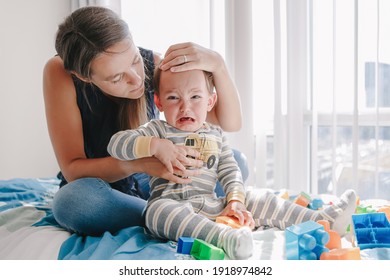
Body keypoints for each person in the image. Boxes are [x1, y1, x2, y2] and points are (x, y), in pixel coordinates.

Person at [107, 66, 357, 260]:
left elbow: (230, 171)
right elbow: (116, 145)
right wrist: (154, 146)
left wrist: (235, 201)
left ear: (210, 102)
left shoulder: (215, 135)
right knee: (156, 212)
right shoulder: (156, 129)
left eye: (195, 96)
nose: (185, 106)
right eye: (173, 98)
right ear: (159, 102)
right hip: (173, 205)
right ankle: (225, 239)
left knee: (257, 197)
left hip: (212, 205)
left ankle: (322, 219)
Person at [42, 6, 243, 236]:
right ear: (83, 77)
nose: (137, 78)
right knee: (72, 202)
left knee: (237, 162)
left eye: (134, 60)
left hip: (153, 182)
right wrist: (139, 163)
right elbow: (72, 170)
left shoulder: (156, 64)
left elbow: (230, 123)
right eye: (117, 77)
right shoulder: (60, 72)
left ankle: (171, 215)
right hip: (103, 186)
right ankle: (164, 215)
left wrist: (218, 65)